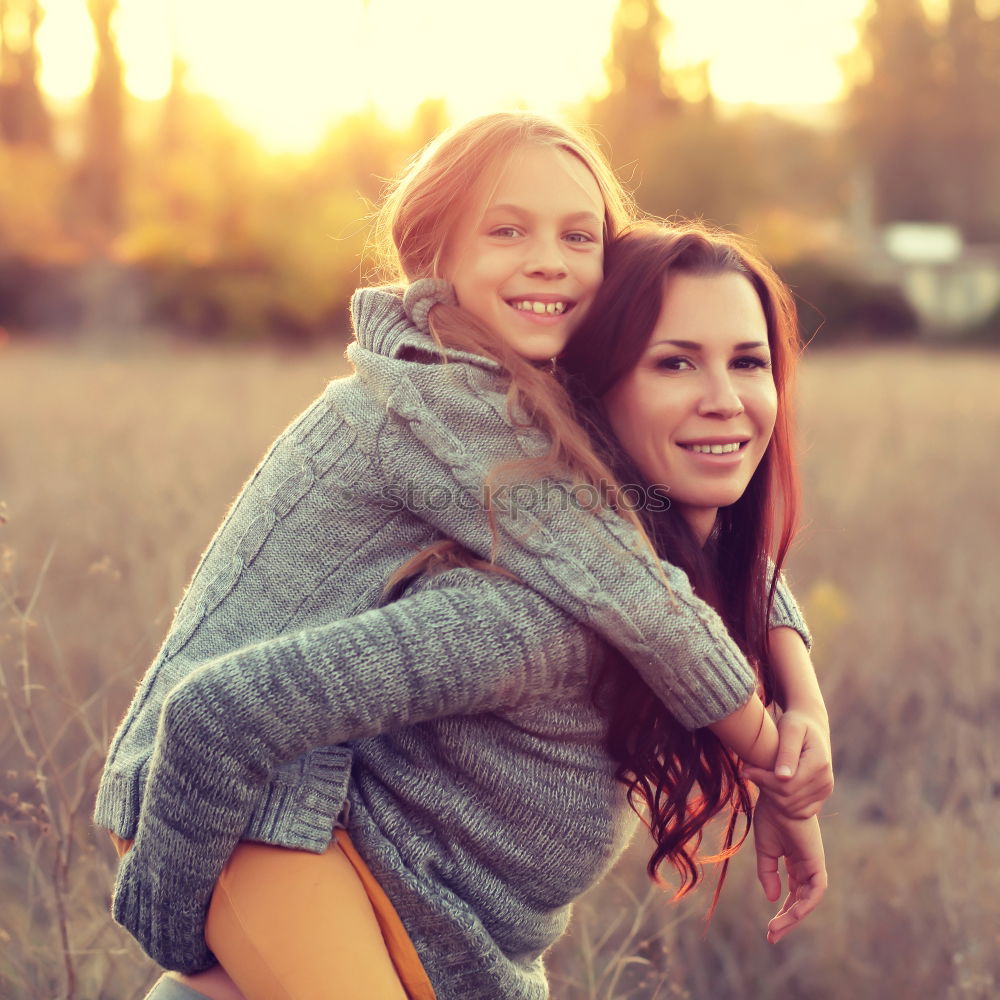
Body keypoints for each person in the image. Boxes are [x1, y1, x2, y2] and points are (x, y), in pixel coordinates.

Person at [95, 114, 829, 998]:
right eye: (507, 229)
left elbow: (670, 540)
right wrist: (775, 766)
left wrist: (801, 687)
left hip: (294, 784)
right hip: (230, 786)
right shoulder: (438, 405)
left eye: (578, 236)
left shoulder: (543, 428)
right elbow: (640, 591)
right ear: (432, 254)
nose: (549, 260)